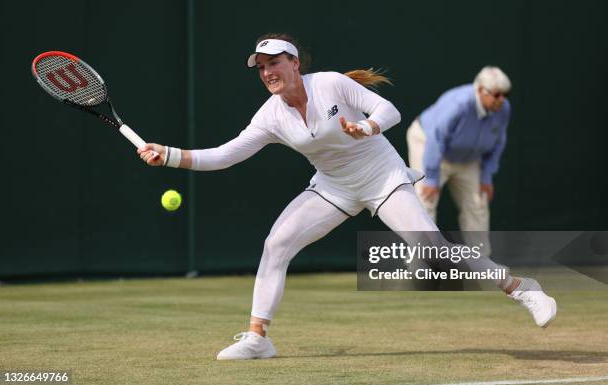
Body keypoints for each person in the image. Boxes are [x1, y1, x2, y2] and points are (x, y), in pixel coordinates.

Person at [137, 34, 556, 360]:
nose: (267, 72)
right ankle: (258, 337)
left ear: (295, 62)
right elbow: (225, 155)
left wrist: (370, 127)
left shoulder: (332, 85)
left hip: (382, 175)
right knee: (276, 244)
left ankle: (523, 287)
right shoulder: (269, 116)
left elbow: (388, 110)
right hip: (334, 186)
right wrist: (169, 155)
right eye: (260, 67)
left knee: (435, 251)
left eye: (275, 63)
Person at [406, 66, 511, 255]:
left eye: (505, 94)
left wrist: (486, 176)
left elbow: (498, 142)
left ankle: (481, 264)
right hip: (428, 144)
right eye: (497, 95)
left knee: (478, 203)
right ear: (480, 90)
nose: (501, 100)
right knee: (425, 200)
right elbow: (435, 138)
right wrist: (431, 177)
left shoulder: (503, 109)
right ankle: (421, 263)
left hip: (468, 157)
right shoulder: (458, 104)